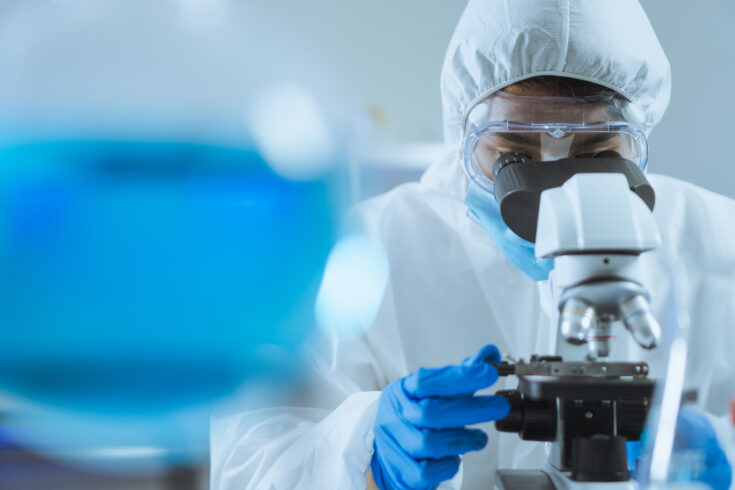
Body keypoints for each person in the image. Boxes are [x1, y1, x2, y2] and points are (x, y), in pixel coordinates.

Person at [210, 1, 735, 488]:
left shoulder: (717, 238)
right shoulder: (364, 248)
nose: (553, 193)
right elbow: (246, 463)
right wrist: (366, 456)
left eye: (596, 156)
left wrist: (728, 455)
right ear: (465, 135)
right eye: (513, 157)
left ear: (636, 137)